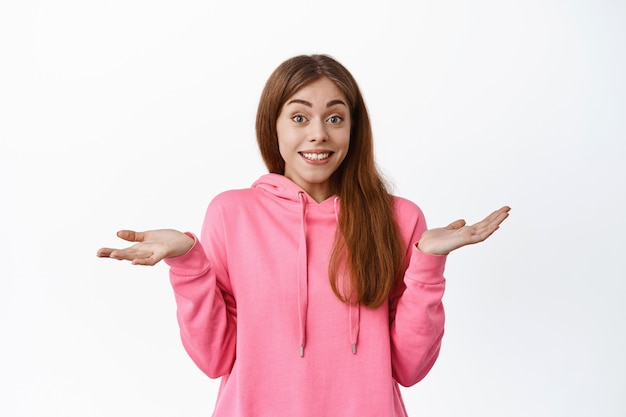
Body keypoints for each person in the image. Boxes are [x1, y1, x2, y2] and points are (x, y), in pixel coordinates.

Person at [97, 54, 510, 417]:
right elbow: (214, 358)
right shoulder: (231, 213)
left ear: (353, 128)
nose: (318, 134)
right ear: (272, 126)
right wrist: (188, 262)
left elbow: (410, 367)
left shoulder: (398, 219)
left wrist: (428, 266)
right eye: (299, 117)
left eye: (335, 117)